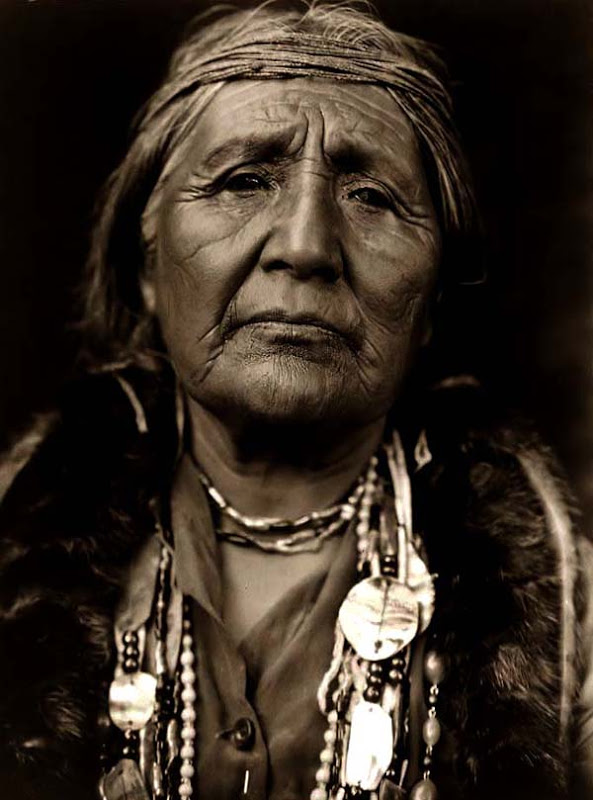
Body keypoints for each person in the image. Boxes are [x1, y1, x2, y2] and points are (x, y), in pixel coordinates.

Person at [0, 3, 591, 800]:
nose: (305, 246)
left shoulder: (574, 619)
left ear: (431, 304)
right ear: (146, 271)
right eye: (243, 182)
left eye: (371, 197)